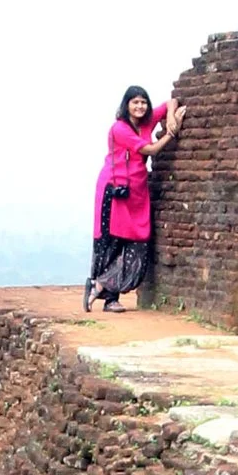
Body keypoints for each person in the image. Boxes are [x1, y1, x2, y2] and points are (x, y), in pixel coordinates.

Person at [86, 84, 180, 312]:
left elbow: (172, 102)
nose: (140, 106)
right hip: (115, 189)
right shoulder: (120, 129)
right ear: (126, 105)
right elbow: (149, 150)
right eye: (135, 102)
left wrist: (169, 117)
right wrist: (170, 133)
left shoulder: (147, 121)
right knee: (113, 243)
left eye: (143, 102)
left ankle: (101, 285)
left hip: (137, 191)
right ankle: (109, 297)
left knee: (137, 243)